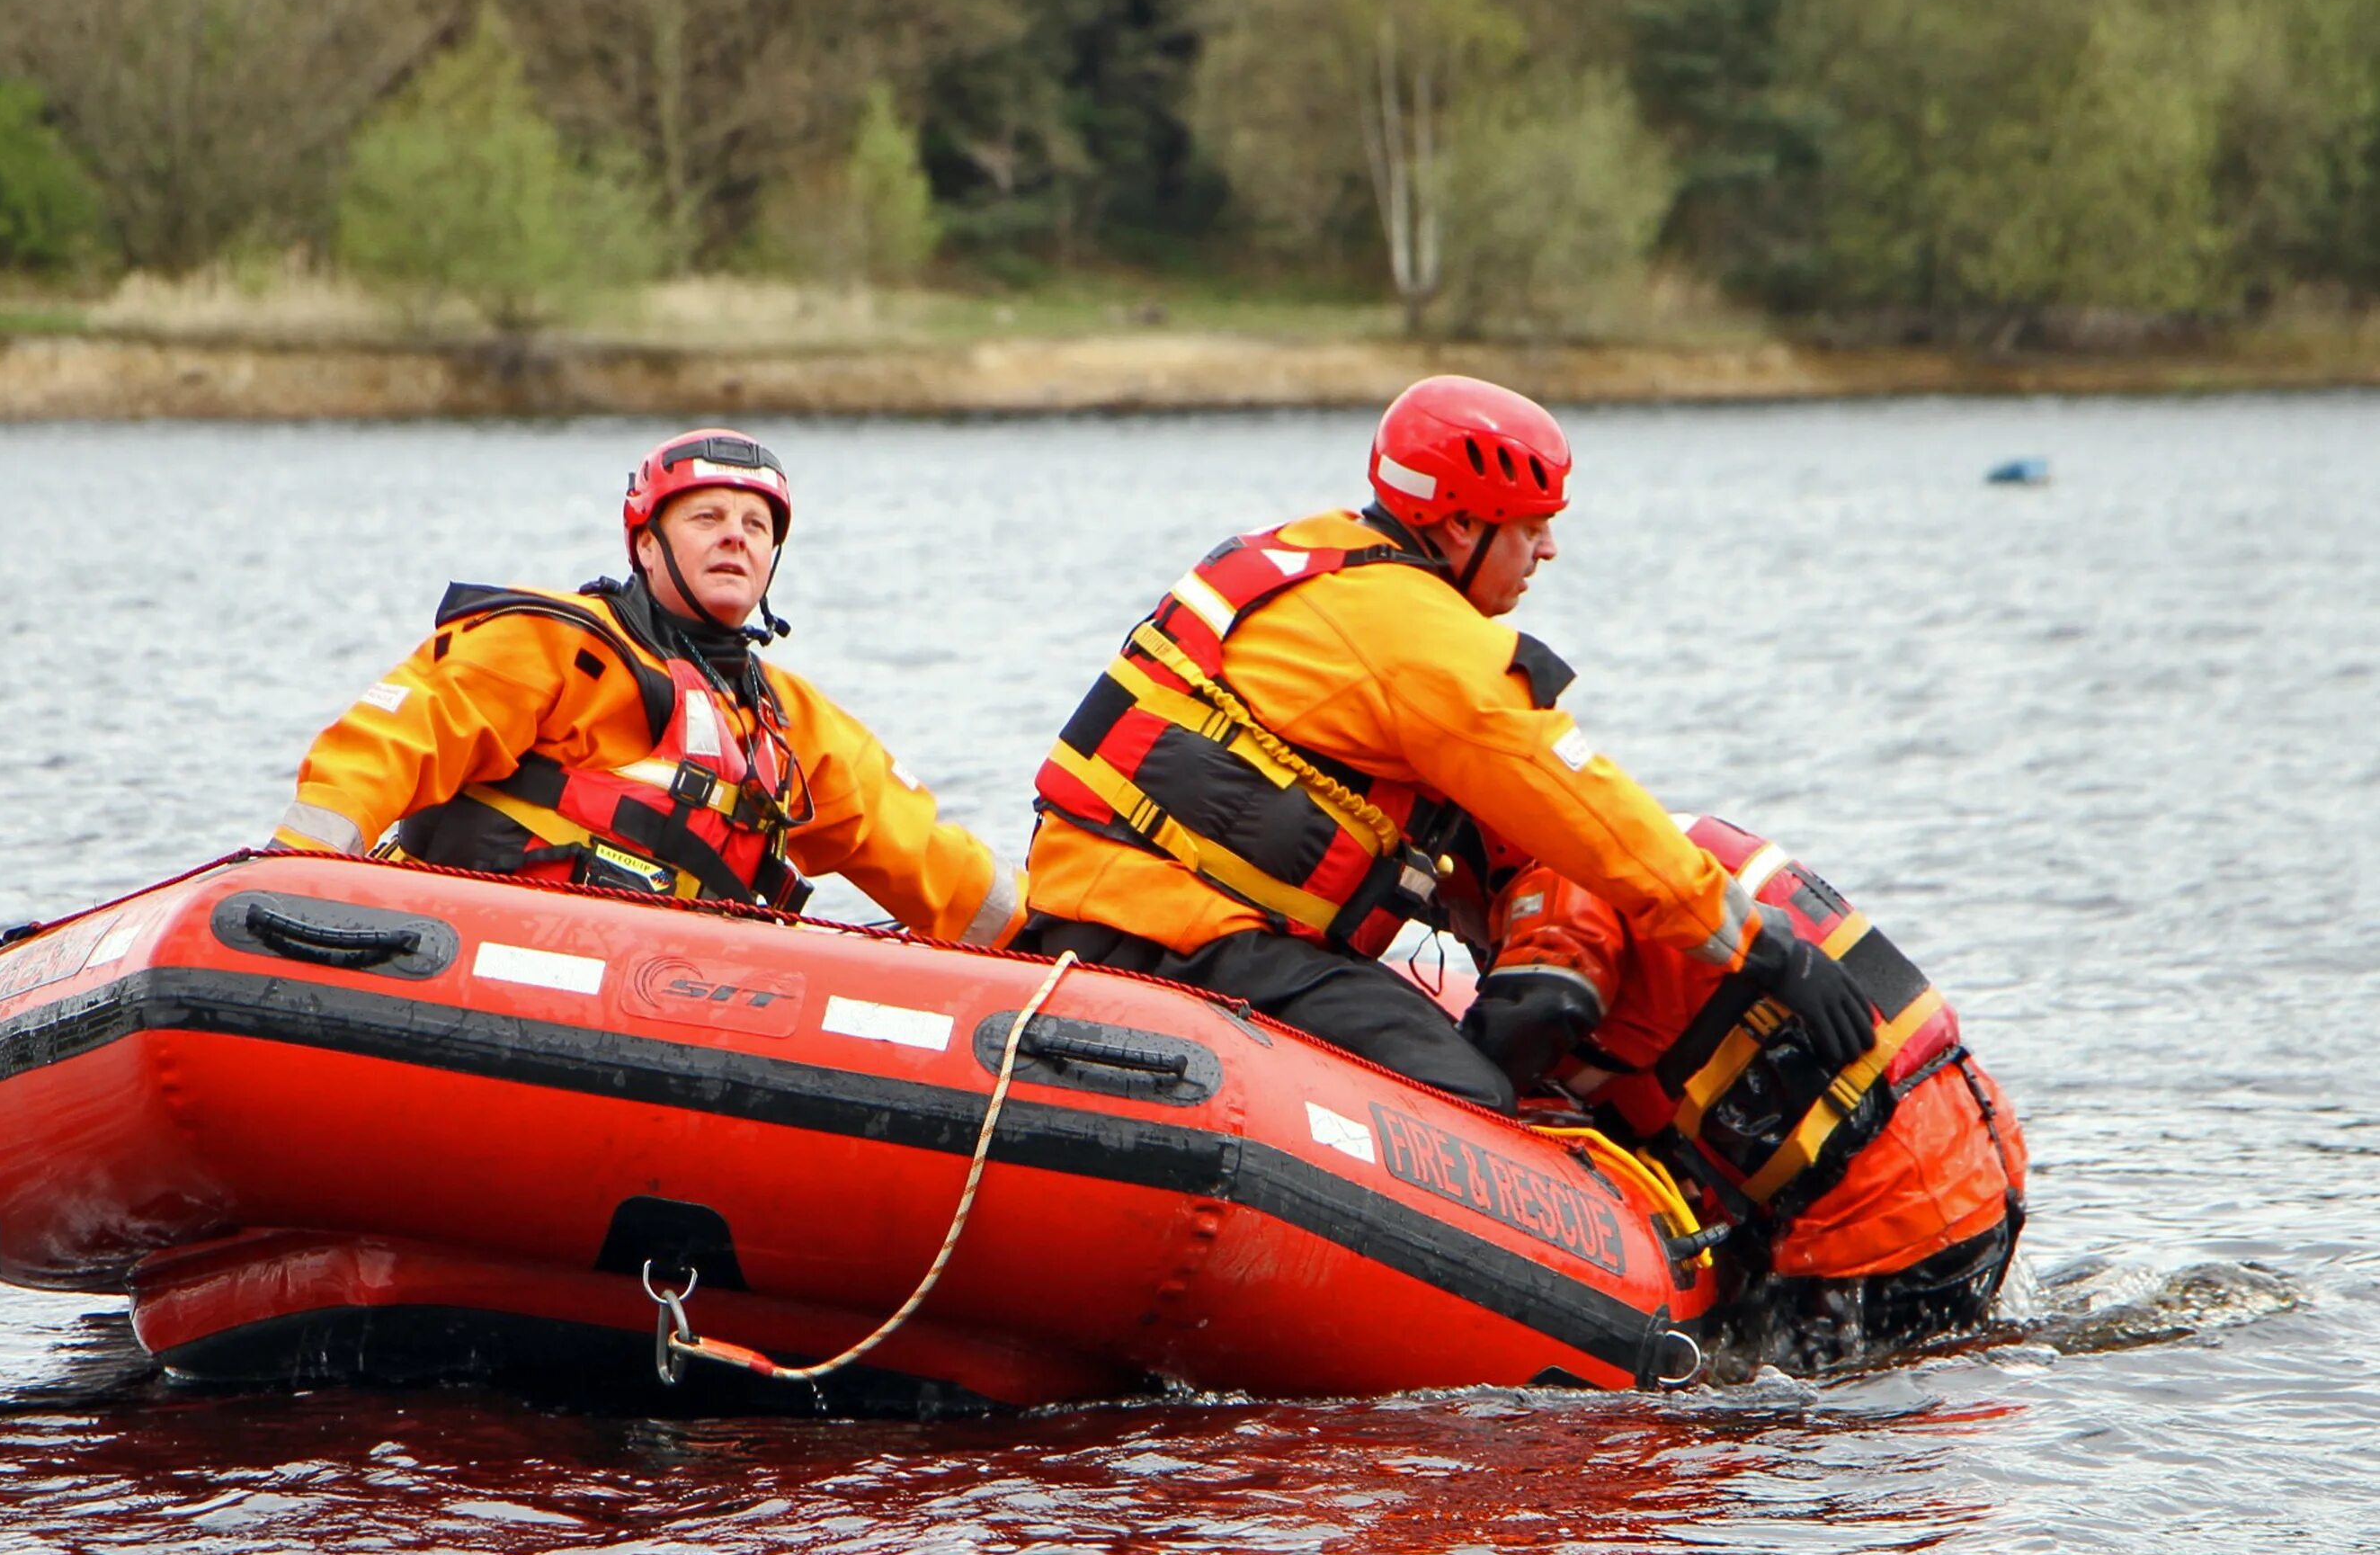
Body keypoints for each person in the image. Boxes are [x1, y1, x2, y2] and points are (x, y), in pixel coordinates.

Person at [1018, 375, 1876, 1112]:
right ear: (1462, 527)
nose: (1548, 550)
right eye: (1531, 526)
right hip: (1196, 938)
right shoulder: (1422, 637)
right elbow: (1584, 805)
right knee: (1468, 1104)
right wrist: (1762, 947)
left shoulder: (1310, 562)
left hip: (1088, 910)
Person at [270, 427, 1027, 946]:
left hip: (667, 993)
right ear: (645, 544)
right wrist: (296, 869)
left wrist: (1054, 942)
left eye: (756, 526)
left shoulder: (788, 722)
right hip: (480, 949)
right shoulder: (559, 642)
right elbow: (399, 737)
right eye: (707, 517)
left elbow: (919, 852)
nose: (736, 535)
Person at [1463, 812, 2028, 1369]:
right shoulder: (1650, 845)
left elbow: (1541, 1008)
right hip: (1967, 1173)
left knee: (1770, 1434)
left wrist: (1446, 1079)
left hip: (1882, 1220)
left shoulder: (1562, 871)